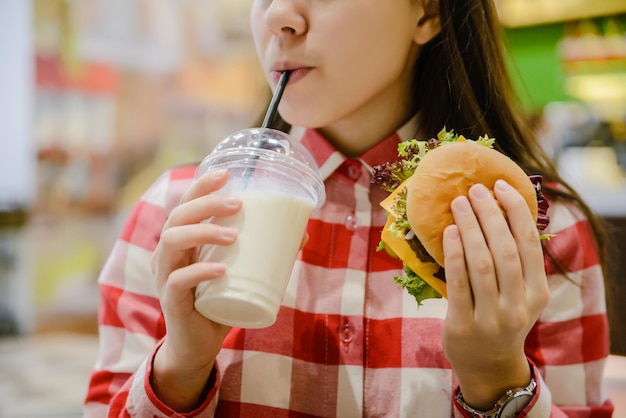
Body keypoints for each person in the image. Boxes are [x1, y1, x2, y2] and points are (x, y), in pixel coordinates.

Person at [83, 0, 615, 416]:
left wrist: (498, 380)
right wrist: (180, 368)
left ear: (428, 11)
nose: (278, 17)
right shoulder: (177, 218)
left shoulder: (539, 233)